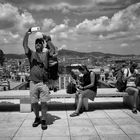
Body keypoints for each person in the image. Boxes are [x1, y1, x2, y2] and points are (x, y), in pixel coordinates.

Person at [23, 28, 50, 130]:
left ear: (43, 45)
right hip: (33, 82)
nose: (38, 44)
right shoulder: (31, 54)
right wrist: (27, 33)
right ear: (34, 45)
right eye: (36, 43)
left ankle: (43, 119)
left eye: (40, 43)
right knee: (34, 103)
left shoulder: (46, 54)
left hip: (44, 82)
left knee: (43, 103)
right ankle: (37, 117)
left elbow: (53, 51)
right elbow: (25, 46)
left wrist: (48, 39)